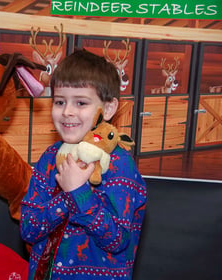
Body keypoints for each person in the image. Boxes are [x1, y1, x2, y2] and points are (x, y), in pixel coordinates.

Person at [20, 48, 147, 280]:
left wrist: (79, 193)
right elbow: (28, 229)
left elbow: (117, 240)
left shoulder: (120, 167)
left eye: (80, 103)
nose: (67, 111)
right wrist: (66, 198)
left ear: (108, 109)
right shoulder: (49, 158)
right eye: (59, 101)